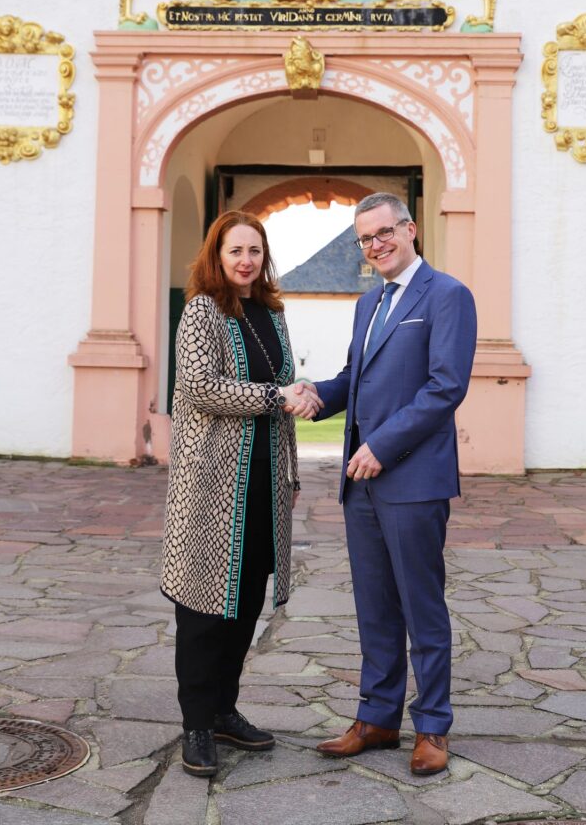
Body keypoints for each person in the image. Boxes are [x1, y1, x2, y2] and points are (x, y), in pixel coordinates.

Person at [300, 193, 476, 776]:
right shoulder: (368, 301)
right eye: (365, 239)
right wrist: (316, 395)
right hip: (362, 483)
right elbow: (356, 377)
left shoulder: (448, 295)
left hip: (412, 478)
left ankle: (432, 728)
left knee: (421, 607)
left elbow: (444, 386)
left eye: (384, 233)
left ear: (410, 229)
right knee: (374, 606)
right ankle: (376, 719)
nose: (376, 245)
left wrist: (382, 445)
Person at [160, 210, 322, 778]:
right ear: (217, 256)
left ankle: (225, 709)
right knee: (204, 609)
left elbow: (285, 406)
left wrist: (293, 475)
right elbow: (201, 388)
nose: (246, 260)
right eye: (235, 251)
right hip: (210, 484)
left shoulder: (272, 315)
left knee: (245, 601)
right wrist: (277, 396)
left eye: (255, 250)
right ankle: (196, 725)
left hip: (263, 483)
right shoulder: (201, 310)